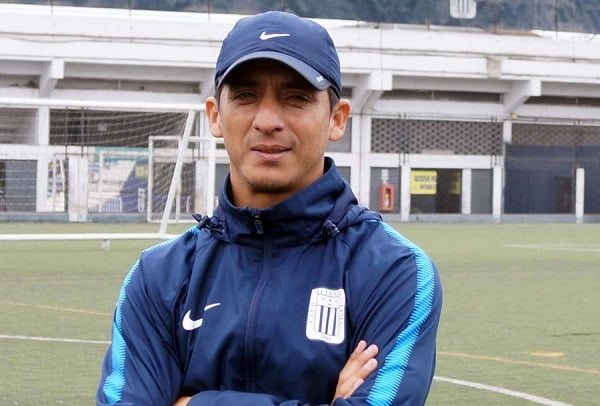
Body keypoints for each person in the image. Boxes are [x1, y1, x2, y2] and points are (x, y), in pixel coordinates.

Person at [96, 10, 442, 406]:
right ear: (215, 116)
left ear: (337, 119)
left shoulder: (393, 270)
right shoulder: (159, 275)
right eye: (245, 96)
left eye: (296, 98)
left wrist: (194, 402)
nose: (267, 120)